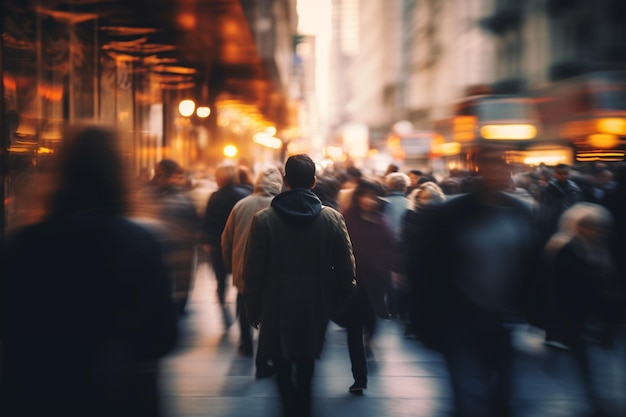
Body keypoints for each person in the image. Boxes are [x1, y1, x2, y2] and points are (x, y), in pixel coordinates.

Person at [1, 124, 178, 417]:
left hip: (38, 394)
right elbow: (162, 335)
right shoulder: (136, 241)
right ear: (117, 175)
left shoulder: (24, 243)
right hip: (114, 397)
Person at [410, 145, 540, 417]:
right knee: (467, 395)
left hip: (502, 318)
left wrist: (532, 307)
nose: (497, 171)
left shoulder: (518, 213)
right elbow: (426, 265)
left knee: (501, 395)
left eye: (501, 165)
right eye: (490, 165)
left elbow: (531, 263)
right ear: (479, 169)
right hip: (459, 318)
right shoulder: (453, 214)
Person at [242, 154, 356, 417]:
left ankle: (288, 407)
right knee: (307, 361)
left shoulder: (264, 219)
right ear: (314, 181)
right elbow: (346, 267)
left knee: (281, 360)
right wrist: (338, 299)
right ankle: (303, 408)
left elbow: (254, 270)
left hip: (275, 300)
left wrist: (252, 307)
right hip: (316, 299)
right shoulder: (332, 218)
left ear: (285, 181)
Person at [221, 165, 283, 378]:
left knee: (242, 301)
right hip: (270, 270)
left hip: (243, 266)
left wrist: (231, 265)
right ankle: (263, 360)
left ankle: (246, 342)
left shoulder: (241, 205)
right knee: (268, 314)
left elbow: (226, 239)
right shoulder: (280, 206)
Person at [341, 177, 395, 394]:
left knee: (372, 321)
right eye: (366, 196)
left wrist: (393, 268)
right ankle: (359, 377)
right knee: (353, 331)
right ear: (358, 197)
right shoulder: (347, 218)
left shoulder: (381, 220)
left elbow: (391, 246)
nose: (370, 200)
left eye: (373, 196)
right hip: (354, 284)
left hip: (375, 283)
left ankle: (369, 342)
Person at [140, 159, 202, 314]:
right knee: (178, 283)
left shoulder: (145, 196)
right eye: (176, 176)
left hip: (163, 250)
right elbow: (194, 223)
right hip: (180, 250)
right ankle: (177, 306)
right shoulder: (184, 199)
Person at [202, 163, 251, 329]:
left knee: (221, 280)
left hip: (217, 244)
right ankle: (241, 315)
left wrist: (207, 241)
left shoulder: (215, 196)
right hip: (239, 243)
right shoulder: (244, 195)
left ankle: (223, 308)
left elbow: (207, 221)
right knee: (241, 280)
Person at [536, 163, 584, 245]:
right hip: (552, 225)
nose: (562, 176)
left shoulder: (574, 190)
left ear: (569, 174)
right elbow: (541, 210)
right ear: (555, 174)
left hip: (569, 224)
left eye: (565, 173)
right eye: (560, 173)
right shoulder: (547, 190)